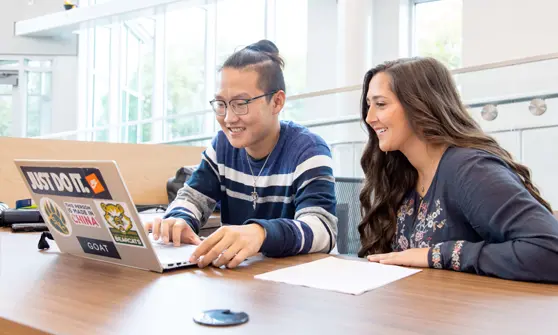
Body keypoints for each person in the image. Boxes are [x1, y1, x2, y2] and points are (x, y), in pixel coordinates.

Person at [359, 57, 558, 282]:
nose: (369, 117)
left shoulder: (470, 170)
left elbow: (550, 250)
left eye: (381, 104)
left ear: (419, 104)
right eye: (369, 105)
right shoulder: (403, 174)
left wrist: (440, 254)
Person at [144, 40, 337, 269]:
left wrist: (261, 233)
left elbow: (322, 228)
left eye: (240, 103)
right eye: (221, 104)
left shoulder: (308, 150)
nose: (228, 118)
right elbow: (192, 198)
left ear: (276, 102)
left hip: (298, 285)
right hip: (241, 278)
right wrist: (179, 220)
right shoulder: (223, 147)